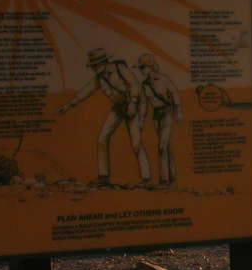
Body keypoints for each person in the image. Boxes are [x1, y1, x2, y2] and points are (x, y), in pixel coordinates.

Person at [57, 48, 151, 186]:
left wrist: (133, 102)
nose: (93, 68)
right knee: (102, 139)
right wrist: (68, 106)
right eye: (93, 65)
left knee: (136, 143)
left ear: (103, 62)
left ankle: (146, 178)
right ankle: (104, 176)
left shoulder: (120, 68)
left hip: (134, 105)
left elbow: (134, 84)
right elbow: (85, 91)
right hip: (119, 107)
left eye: (95, 65)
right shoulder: (100, 78)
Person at [136, 52, 183, 187]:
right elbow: (144, 103)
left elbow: (174, 92)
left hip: (167, 112)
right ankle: (172, 178)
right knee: (165, 146)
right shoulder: (144, 85)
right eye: (140, 67)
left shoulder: (164, 79)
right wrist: (141, 119)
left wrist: (179, 110)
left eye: (143, 67)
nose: (141, 70)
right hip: (156, 115)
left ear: (150, 66)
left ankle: (164, 181)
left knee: (162, 146)